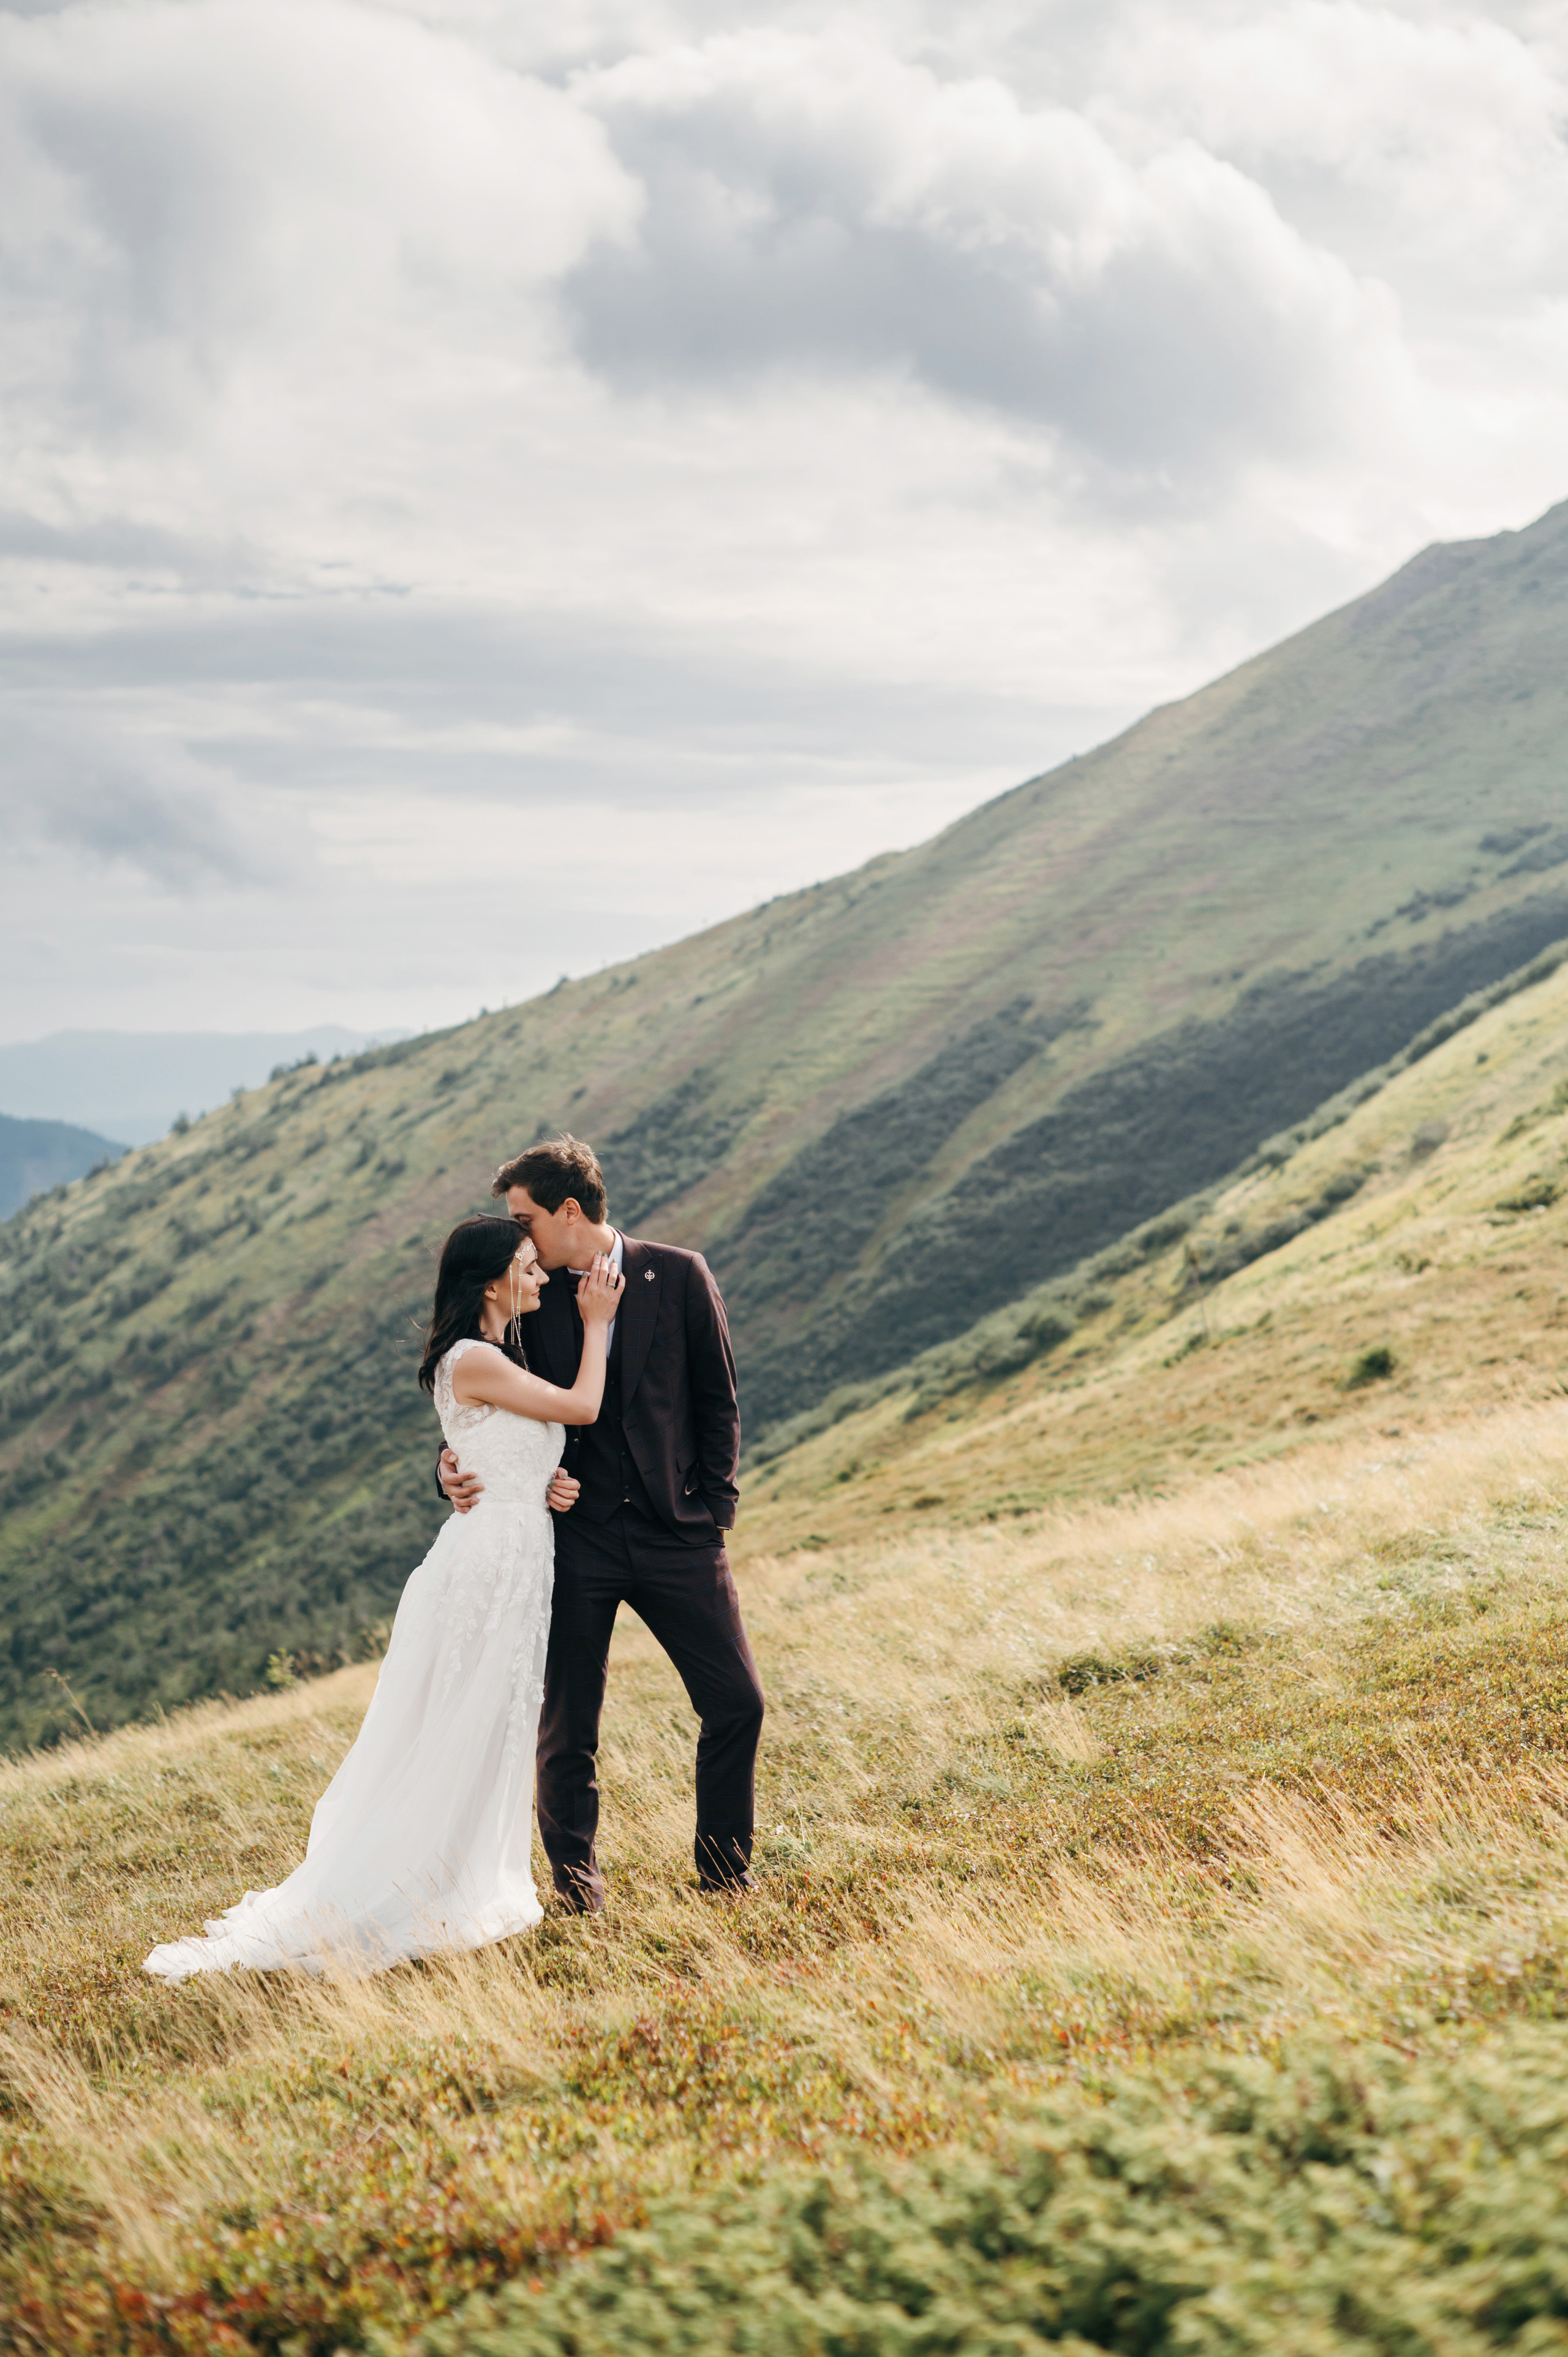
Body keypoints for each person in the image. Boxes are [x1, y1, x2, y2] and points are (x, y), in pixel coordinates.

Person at [144, 1218, 624, 1981]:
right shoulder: (472, 1358)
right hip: (487, 1570)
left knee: (495, 1726)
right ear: (494, 1279)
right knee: (461, 1726)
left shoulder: (494, 1357)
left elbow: (513, 1451)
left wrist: (548, 1486)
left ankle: (465, 1880)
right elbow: (583, 1408)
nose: (540, 1279)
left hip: (520, 1560)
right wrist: (597, 1326)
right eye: (529, 1269)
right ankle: (412, 1887)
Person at [439, 1134, 763, 1910]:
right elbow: (480, 1405)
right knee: (567, 1725)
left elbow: (719, 1401)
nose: (518, 1236)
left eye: (525, 1218)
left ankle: (724, 1874)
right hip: (569, 1541)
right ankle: (577, 1888)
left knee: (736, 1703)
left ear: (571, 1210)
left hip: (676, 1535)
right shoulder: (529, 1292)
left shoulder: (680, 1274)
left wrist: (712, 1508)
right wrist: (449, 1472)